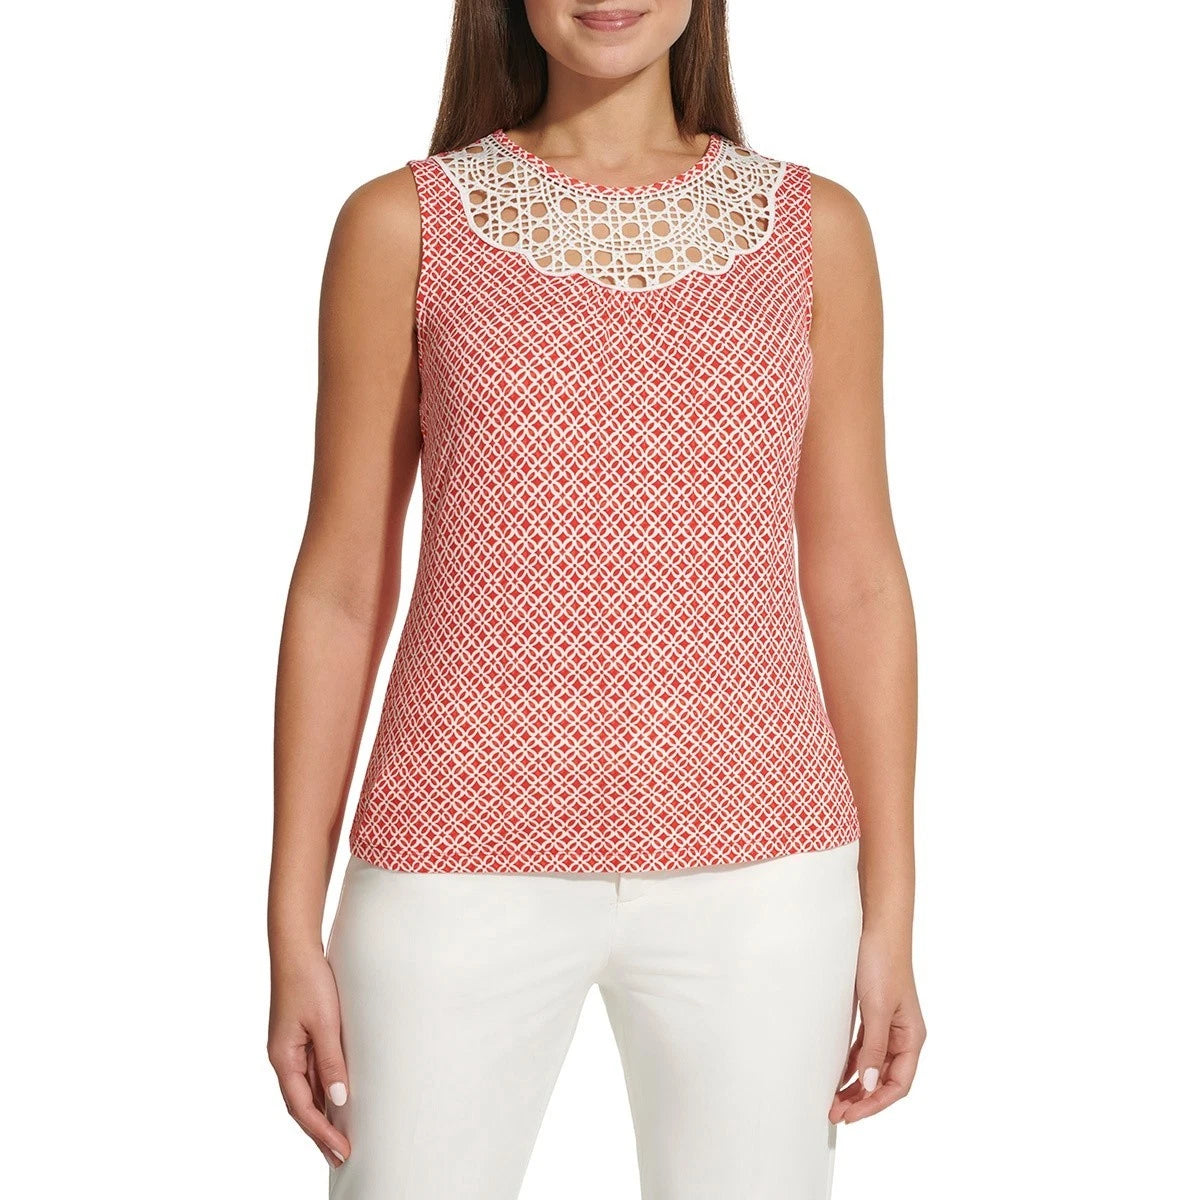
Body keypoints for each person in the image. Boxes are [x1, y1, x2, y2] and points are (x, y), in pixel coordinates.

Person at [267, 2, 924, 1196]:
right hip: (452, 859)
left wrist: (893, 910)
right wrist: (287, 920)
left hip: (764, 876)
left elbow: (860, 582)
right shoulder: (403, 223)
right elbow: (342, 586)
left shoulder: (812, 230)